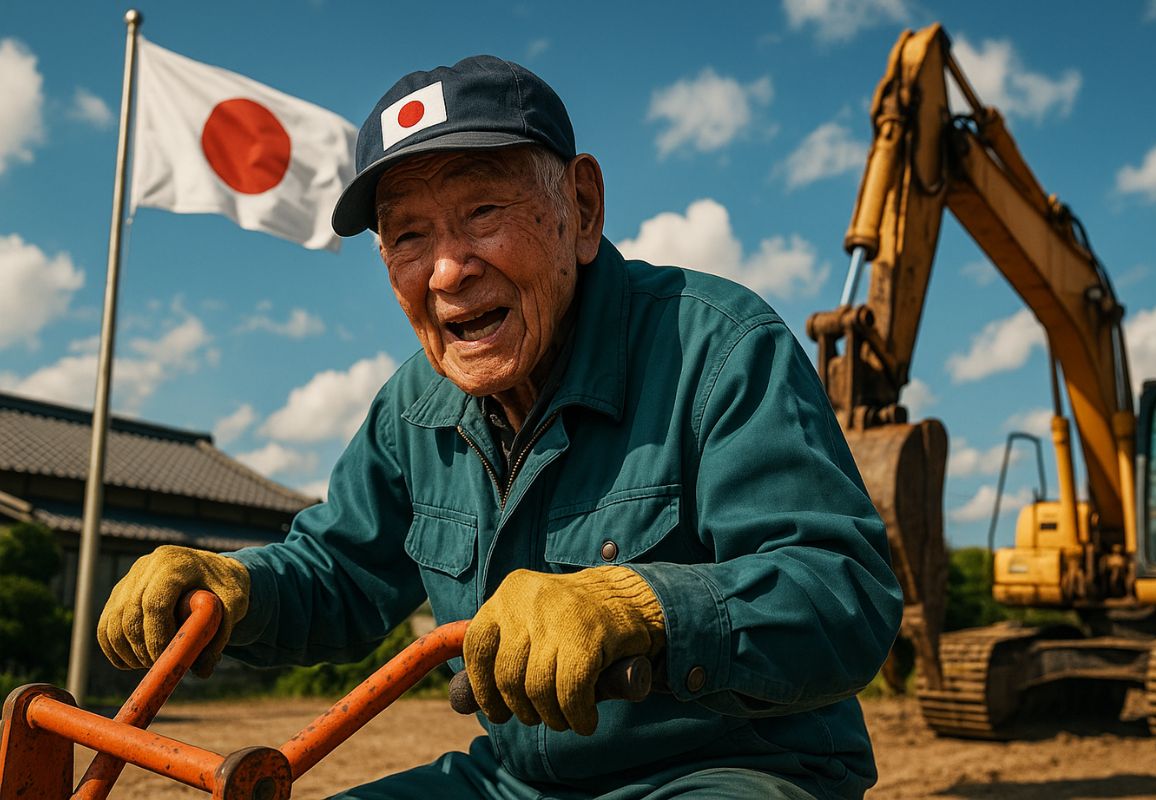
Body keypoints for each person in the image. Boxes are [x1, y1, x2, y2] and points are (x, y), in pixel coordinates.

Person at [97, 55, 902, 799]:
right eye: (408, 235)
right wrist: (234, 587)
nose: (447, 270)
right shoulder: (414, 407)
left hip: (732, 766)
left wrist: (640, 606)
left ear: (581, 208)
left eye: (482, 211)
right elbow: (339, 574)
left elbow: (844, 591)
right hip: (518, 783)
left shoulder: (717, 346)